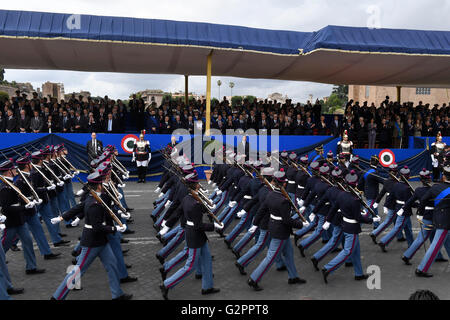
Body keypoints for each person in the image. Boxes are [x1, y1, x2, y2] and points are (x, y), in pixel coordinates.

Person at [51, 171, 132, 300]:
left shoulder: (96, 196)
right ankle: (57, 297)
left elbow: (79, 207)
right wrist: (114, 228)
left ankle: (117, 294)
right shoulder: (93, 203)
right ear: (99, 185)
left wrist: (62, 217)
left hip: (102, 242)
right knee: (77, 271)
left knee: (112, 266)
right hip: (92, 242)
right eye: (102, 183)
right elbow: (97, 228)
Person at [160, 172, 222, 300]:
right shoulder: (194, 203)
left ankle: (207, 287)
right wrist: (214, 226)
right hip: (195, 236)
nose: (199, 184)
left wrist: (167, 224)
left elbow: (178, 212)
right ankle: (167, 284)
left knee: (207, 260)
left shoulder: (188, 198)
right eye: (198, 182)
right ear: (195, 185)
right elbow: (198, 225)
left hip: (196, 235)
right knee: (190, 266)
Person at [247, 170, 308, 291]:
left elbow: (262, 210)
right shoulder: (283, 200)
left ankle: (293, 276)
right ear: (284, 184)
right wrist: (301, 224)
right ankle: (254, 279)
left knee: (289, 255)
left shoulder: (270, 194)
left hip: (276, 228)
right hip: (280, 231)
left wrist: (255, 223)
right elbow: (287, 220)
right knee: (270, 257)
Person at [415, 165, 450, 278]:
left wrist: (420, 213)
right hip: (445, 222)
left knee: (448, 244)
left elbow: (423, 200)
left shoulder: (435, 187)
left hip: (436, 218)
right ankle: (421, 269)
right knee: (435, 246)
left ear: (443, 176)